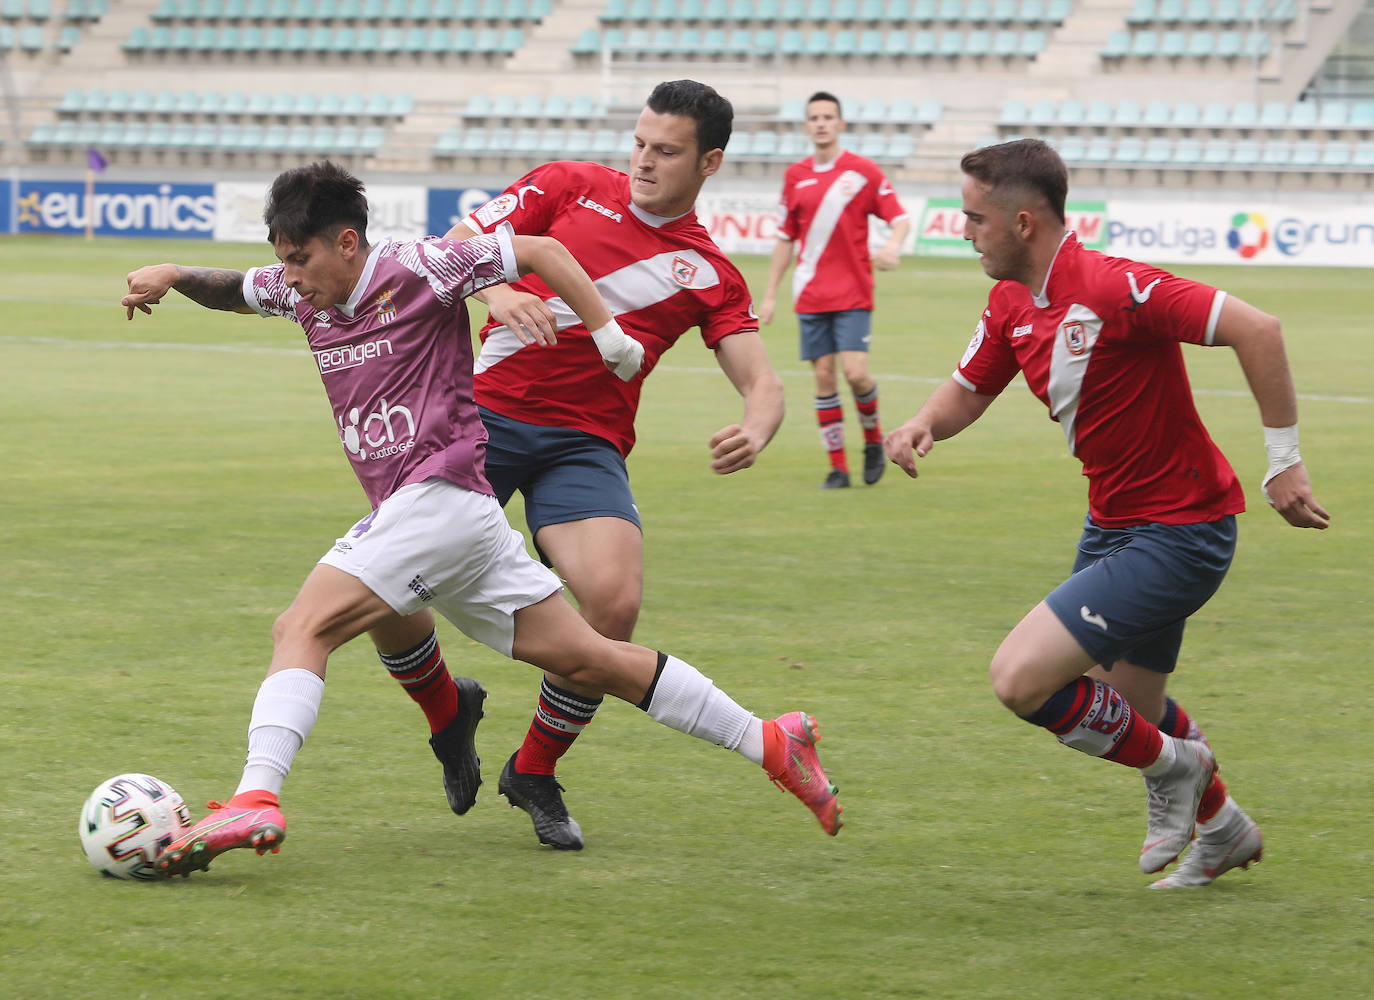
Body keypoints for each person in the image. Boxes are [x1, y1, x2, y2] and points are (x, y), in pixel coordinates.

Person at [119, 161, 841, 878]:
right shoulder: (302, 290)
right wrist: (174, 276)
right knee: (596, 659)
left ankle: (256, 795)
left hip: (437, 495)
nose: (292, 277)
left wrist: (607, 332)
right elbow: (237, 290)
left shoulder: (421, 267)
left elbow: (542, 251)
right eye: (284, 260)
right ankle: (773, 742)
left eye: (301, 259)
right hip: (463, 523)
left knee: (301, 627)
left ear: (346, 242)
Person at [884, 138, 1329, 888]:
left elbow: (1259, 328)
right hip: (1115, 526)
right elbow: (968, 389)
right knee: (1128, 707)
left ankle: (1179, 772)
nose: (963, 232)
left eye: (973, 219)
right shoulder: (1009, 303)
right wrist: (923, 423)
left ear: (1023, 222)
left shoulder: (1116, 287)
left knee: (1022, 680)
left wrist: (1284, 459)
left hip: (1182, 531)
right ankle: (1221, 829)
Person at [437, 79, 785, 849]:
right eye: (639, 142)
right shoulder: (567, 186)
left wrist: (757, 429)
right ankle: (445, 709)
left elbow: (763, 382)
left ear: (710, 162)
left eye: (666, 151)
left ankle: (532, 770)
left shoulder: (709, 272)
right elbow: (460, 242)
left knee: (614, 606)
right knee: (392, 582)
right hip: (484, 416)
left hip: (583, 445)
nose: (644, 161)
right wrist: (493, 290)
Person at [758, 90, 911, 489]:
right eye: (814, 117)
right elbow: (784, 238)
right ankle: (838, 468)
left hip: (854, 291)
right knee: (824, 378)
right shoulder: (795, 176)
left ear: (840, 124)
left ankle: (873, 440)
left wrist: (892, 246)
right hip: (810, 292)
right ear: (807, 125)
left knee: (856, 373)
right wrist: (771, 292)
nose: (821, 123)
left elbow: (900, 219)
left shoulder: (863, 172)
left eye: (828, 117)